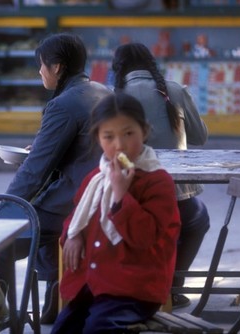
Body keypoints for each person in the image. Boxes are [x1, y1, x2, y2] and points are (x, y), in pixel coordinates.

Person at [0, 33, 111, 324]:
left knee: (1, 241)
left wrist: (6, 207)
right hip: (105, 195)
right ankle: (52, 303)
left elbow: (36, 169)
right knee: (39, 215)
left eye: (41, 65)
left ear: (56, 67)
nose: (39, 72)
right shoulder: (104, 92)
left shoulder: (62, 105)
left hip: (76, 203)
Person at [52, 92, 181, 333]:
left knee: (97, 328)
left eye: (128, 133)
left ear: (145, 131)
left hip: (134, 288)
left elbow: (145, 237)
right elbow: (77, 216)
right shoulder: (96, 178)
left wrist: (122, 196)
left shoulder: (157, 181)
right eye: (108, 136)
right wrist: (73, 235)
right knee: (64, 328)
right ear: (98, 139)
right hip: (95, 283)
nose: (119, 145)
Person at [112, 42, 210, 309]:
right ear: (150, 63)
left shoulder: (114, 97)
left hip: (128, 192)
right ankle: (173, 286)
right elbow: (200, 137)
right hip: (177, 194)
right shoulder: (174, 91)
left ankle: (147, 286)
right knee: (197, 220)